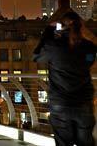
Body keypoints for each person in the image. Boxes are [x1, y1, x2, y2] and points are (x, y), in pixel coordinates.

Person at [33, 11, 96, 146]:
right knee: (86, 142)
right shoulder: (89, 47)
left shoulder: (54, 46)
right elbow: (89, 62)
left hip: (60, 103)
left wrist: (49, 31)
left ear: (61, 27)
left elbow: (36, 56)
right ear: (81, 27)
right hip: (84, 103)